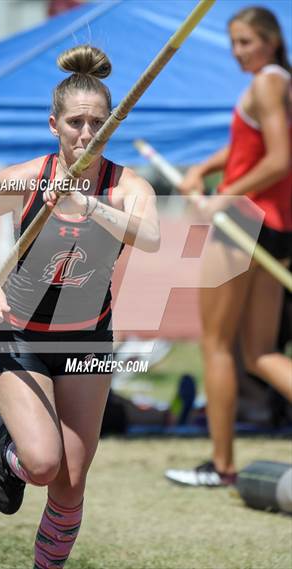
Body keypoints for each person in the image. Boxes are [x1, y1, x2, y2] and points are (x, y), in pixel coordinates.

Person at [0, 45, 160, 568]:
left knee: (70, 481)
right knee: (43, 463)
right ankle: (11, 456)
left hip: (87, 338)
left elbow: (152, 238)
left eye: (98, 122)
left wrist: (87, 203)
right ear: (54, 125)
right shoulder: (28, 177)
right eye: (75, 123)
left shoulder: (125, 186)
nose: (86, 134)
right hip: (20, 335)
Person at [165, 6, 292, 488]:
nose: (238, 52)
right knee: (259, 352)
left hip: (243, 222)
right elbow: (251, 147)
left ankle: (221, 467)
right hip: (276, 225)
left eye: (246, 42)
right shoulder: (277, 83)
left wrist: (221, 198)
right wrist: (204, 168)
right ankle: (221, 463)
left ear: (272, 40)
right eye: (233, 43)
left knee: (217, 345)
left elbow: (279, 159)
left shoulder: (266, 83)